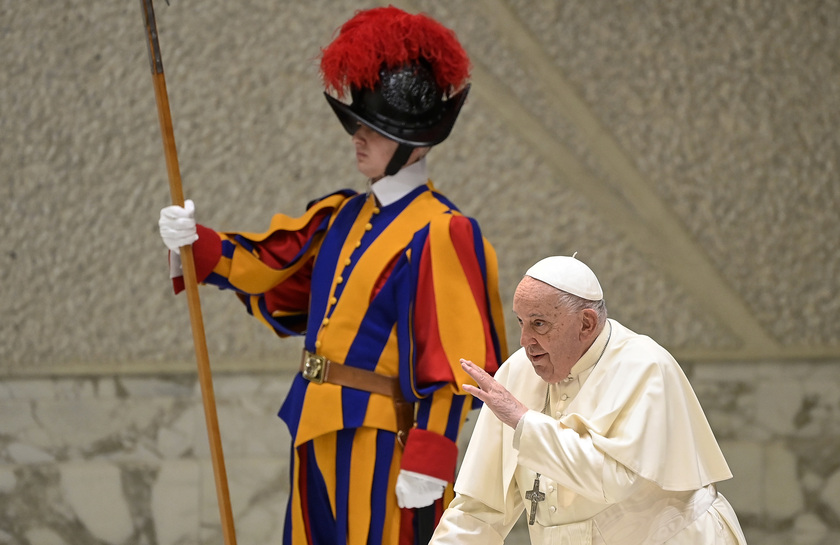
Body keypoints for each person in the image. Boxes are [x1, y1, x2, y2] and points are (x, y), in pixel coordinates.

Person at [157, 7, 508, 545]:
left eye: (375, 129)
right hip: (314, 421)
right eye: (357, 125)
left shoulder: (443, 230)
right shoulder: (342, 216)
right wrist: (196, 243)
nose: (358, 139)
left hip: (380, 436)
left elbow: (458, 363)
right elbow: (276, 274)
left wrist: (431, 455)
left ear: (416, 142)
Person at [430, 256, 748, 545]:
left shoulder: (645, 366)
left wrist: (522, 420)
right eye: (520, 322)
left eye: (539, 323)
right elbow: (480, 508)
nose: (526, 341)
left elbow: (613, 479)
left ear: (586, 324)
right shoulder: (517, 372)